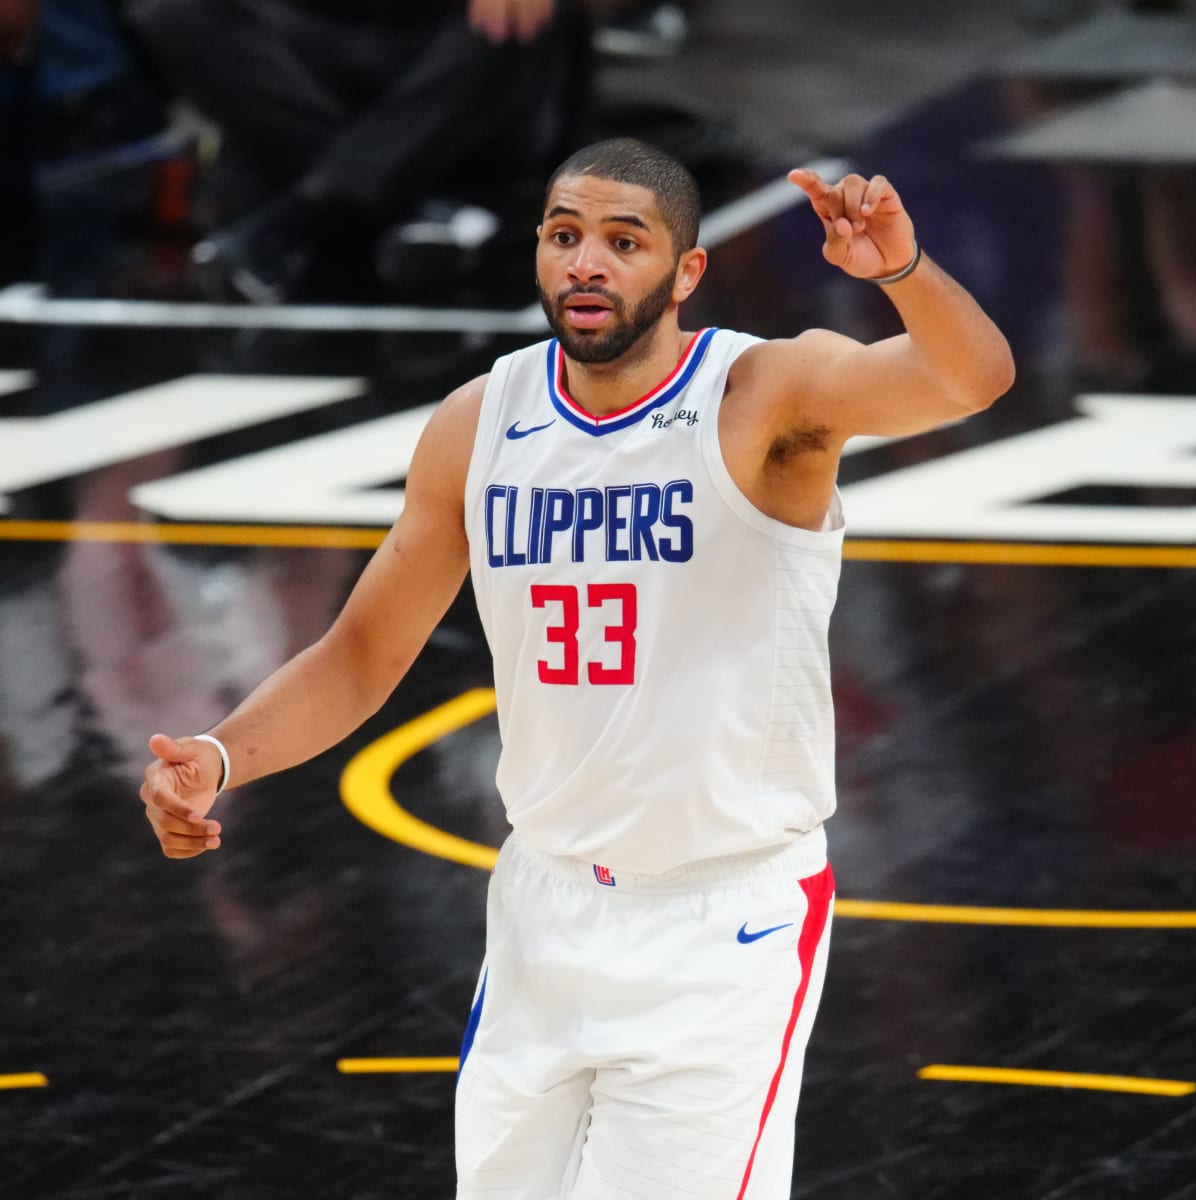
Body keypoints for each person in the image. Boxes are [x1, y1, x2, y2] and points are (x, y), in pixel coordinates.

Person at [139, 138, 1014, 1198]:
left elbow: (972, 379)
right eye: (563, 236)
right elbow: (362, 652)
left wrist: (903, 275)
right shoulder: (481, 421)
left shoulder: (767, 395)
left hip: (722, 921)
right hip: (544, 908)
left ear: (687, 273)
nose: (584, 263)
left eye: (622, 240)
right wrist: (221, 757)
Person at [126, 0, 586, 301]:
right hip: (317, 49)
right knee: (175, 10)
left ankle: (301, 217)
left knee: (527, 15)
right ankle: (398, 203)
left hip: (455, 52)